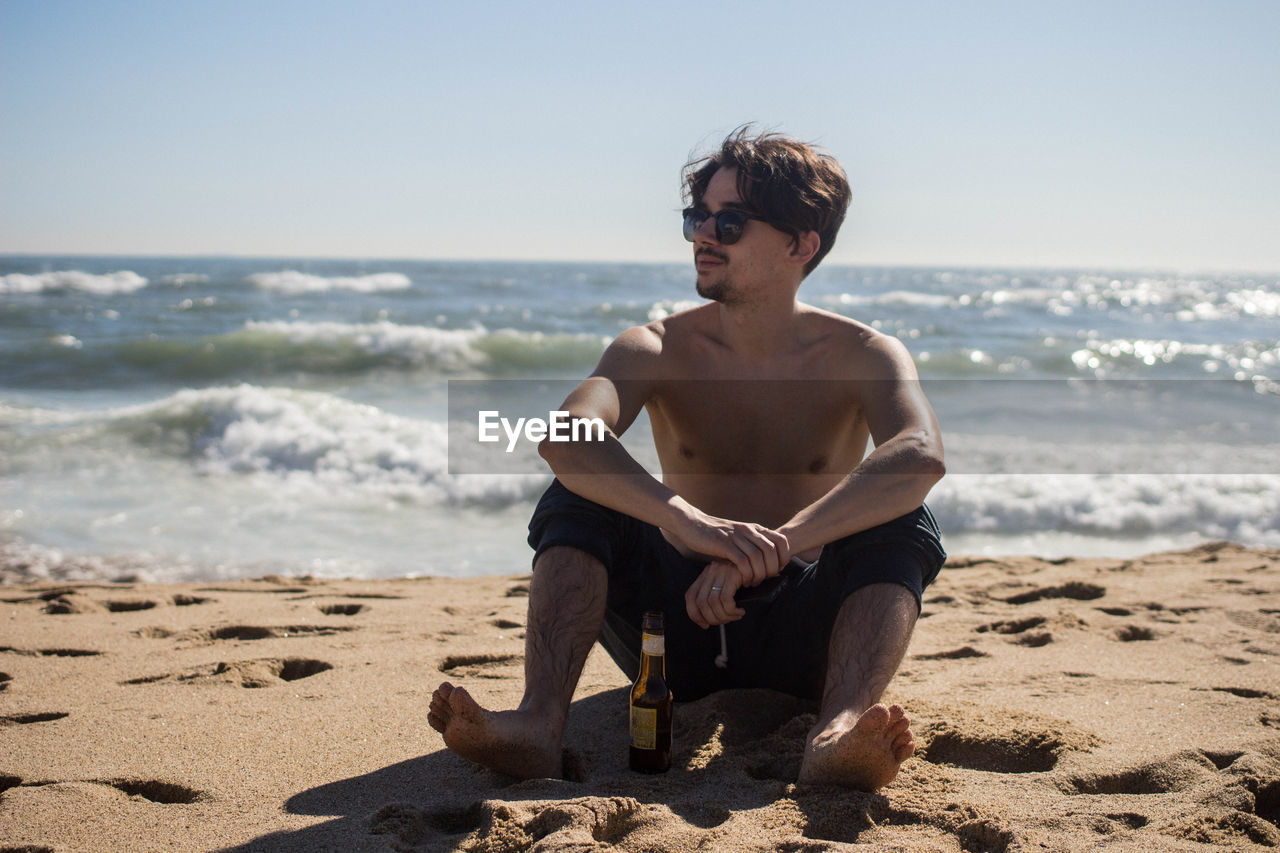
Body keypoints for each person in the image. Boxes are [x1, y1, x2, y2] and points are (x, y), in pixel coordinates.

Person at [429, 127, 946, 791]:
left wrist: (775, 545)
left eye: (729, 221)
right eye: (696, 217)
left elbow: (921, 453)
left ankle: (837, 730)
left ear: (801, 243)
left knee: (905, 515)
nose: (705, 234)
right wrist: (689, 523)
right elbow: (564, 434)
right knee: (578, 491)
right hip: (670, 639)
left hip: (806, 639)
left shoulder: (864, 354)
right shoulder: (653, 347)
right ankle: (536, 723)